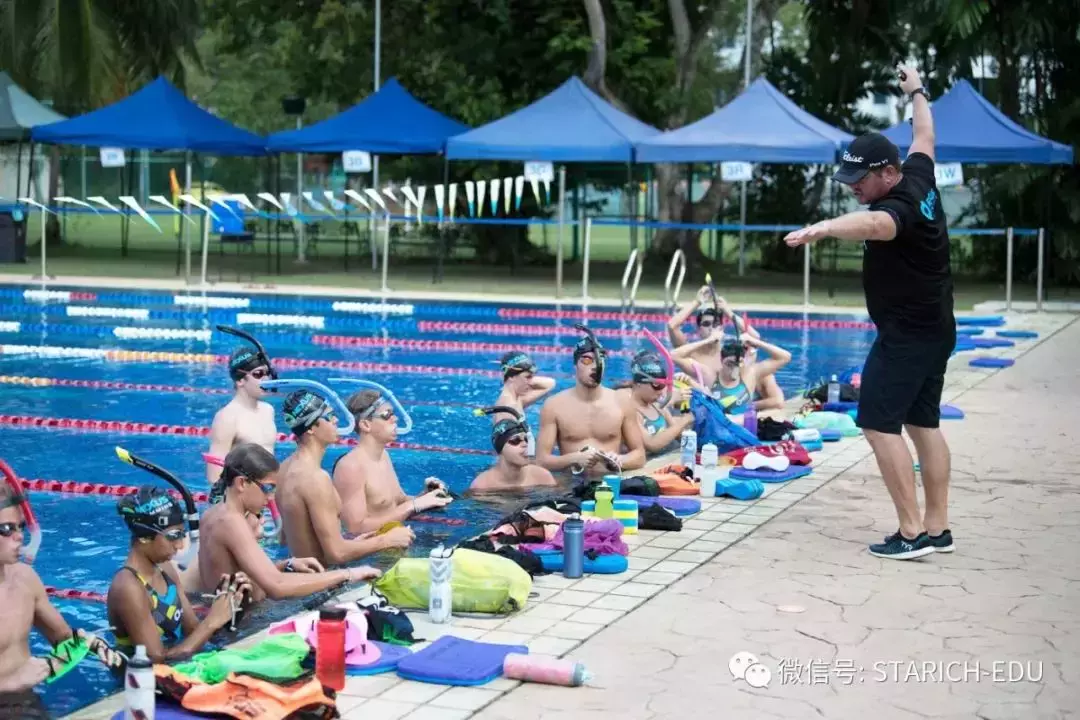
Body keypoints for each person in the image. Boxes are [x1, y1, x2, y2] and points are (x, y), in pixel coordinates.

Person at [783, 65, 954, 560]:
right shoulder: (919, 171)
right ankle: (938, 528)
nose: (852, 186)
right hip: (935, 328)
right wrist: (917, 88)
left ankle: (910, 532)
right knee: (924, 425)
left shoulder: (898, 206)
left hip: (908, 335)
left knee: (878, 423)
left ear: (886, 173)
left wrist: (822, 227)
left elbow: (876, 224)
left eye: (859, 179)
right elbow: (925, 132)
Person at [195, 443, 380, 601]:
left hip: (238, 616)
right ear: (242, 483)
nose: (271, 497)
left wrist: (287, 565)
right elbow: (277, 587)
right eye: (268, 488)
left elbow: (238, 573)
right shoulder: (232, 523)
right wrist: (348, 574)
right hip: (242, 628)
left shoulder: (213, 514)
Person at [0, 484, 122, 715]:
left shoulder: (25, 579)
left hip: (26, 705)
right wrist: (9, 683)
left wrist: (92, 644)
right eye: (6, 528)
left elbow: (64, 639)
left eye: (21, 526)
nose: (19, 536)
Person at [107, 487, 247, 662]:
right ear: (144, 537)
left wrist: (229, 605)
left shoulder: (165, 568)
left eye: (182, 534)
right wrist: (212, 621)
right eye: (173, 536)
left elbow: (193, 629)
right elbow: (156, 660)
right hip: (139, 683)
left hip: (180, 666)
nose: (180, 545)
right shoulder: (128, 587)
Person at [276, 390, 414, 566]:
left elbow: (285, 540)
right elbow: (337, 554)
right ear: (311, 428)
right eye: (329, 416)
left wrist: (358, 543)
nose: (336, 420)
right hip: (323, 583)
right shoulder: (316, 479)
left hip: (301, 575)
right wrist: (387, 540)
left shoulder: (284, 468)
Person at [333, 390, 453, 534]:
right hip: (375, 552)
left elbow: (398, 503)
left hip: (396, 538)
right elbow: (355, 529)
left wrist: (426, 497)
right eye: (387, 415)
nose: (395, 418)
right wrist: (414, 505)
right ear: (366, 425)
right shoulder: (350, 467)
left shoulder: (383, 455)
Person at [535, 326, 646, 476]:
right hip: (571, 486)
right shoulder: (554, 406)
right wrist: (574, 459)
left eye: (600, 360)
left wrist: (620, 460)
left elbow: (639, 456)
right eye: (587, 360)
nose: (595, 366)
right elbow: (541, 461)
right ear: (575, 365)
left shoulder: (622, 402)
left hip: (609, 483)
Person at [205, 345, 278, 486]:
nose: (266, 379)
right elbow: (214, 477)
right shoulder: (226, 418)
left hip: (266, 497)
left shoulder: (268, 410)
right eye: (258, 374)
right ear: (240, 380)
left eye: (267, 373)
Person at [672, 332, 791, 418]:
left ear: (743, 362)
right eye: (729, 364)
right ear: (721, 360)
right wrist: (708, 340)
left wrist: (756, 342)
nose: (733, 368)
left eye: (737, 364)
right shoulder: (710, 375)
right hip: (718, 427)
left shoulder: (750, 374)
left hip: (742, 427)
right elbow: (674, 355)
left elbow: (785, 357)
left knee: (777, 412)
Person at [618, 350, 694, 454]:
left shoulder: (658, 407)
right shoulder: (629, 409)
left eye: (664, 385)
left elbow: (680, 438)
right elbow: (651, 444)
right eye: (657, 385)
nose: (661, 392)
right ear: (639, 383)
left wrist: (686, 407)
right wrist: (684, 421)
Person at [470, 413, 558, 492]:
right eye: (516, 440)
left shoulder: (543, 477)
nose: (524, 444)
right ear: (500, 449)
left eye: (527, 440)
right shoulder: (481, 487)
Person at [491, 350, 556, 456]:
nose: (531, 382)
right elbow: (513, 454)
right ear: (511, 377)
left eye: (532, 377)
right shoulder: (507, 409)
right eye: (528, 377)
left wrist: (526, 378)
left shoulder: (517, 399)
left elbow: (550, 384)